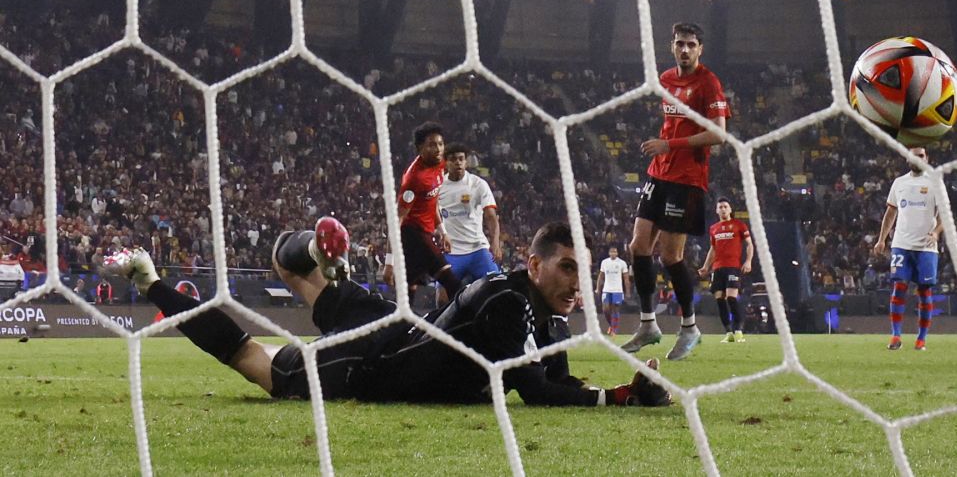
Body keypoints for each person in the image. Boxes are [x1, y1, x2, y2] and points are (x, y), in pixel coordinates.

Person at [101, 218, 670, 408]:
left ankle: (324, 258)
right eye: (568, 268)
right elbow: (540, 393)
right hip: (366, 363)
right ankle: (150, 279)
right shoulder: (507, 306)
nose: (578, 283)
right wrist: (620, 396)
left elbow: (557, 379)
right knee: (250, 356)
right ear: (535, 264)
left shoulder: (539, 305)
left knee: (290, 270)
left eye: (581, 269)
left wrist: (608, 391)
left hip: (398, 328)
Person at [622, 22, 730, 360]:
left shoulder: (708, 83)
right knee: (638, 246)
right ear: (672, 46)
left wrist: (670, 144)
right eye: (680, 44)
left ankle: (689, 328)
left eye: (691, 45)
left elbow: (718, 133)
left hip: (687, 180)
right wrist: (665, 145)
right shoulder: (666, 78)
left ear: (700, 49)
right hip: (659, 175)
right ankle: (648, 323)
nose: (685, 50)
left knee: (670, 256)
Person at [873, 147, 943, 351]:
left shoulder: (935, 182)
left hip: (926, 248)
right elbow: (890, 213)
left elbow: (944, 215)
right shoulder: (899, 183)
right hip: (901, 244)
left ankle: (921, 339)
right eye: (914, 155)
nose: (917, 158)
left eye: (921, 155)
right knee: (899, 287)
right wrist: (881, 239)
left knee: (924, 291)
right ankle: (895, 336)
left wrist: (936, 232)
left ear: (927, 158)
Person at [382, 122, 462, 300]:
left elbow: (431, 201)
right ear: (420, 148)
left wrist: (443, 232)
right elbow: (397, 220)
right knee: (452, 283)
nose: (438, 149)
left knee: (408, 293)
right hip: (413, 235)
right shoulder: (414, 179)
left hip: (425, 232)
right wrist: (389, 262)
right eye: (432, 145)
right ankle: (456, 325)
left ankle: (404, 326)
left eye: (440, 144)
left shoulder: (440, 164)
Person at [438, 142, 501, 287]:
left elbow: (491, 216)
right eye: (453, 159)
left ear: (466, 162)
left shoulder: (478, 184)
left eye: (461, 159)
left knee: (497, 288)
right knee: (442, 298)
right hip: (451, 252)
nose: (458, 162)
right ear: (446, 162)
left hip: (477, 249)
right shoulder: (438, 186)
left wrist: (495, 242)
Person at [698, 197, 753, 343]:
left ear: (730, 209)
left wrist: (748, 261)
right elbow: (713, 249)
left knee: (731, 298)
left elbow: (749, 244)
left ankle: (739, 331)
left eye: (725, 207)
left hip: (733, 267)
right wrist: (705, 266)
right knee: (719, 300)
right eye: (720, 207)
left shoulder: (739, 225)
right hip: (717, 268)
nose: (723, 209)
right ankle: (728, 333)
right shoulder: (713, 228)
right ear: (716, 210)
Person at [595, 247, 630, 335]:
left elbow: (626, 278)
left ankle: (614, 330)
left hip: (617, 290)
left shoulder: (622, 263)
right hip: (606, 289)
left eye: (615, 251)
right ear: (609, 253)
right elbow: (601, 276)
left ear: (617, 253)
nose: (613, 253)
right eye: (611, 252)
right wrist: (598, 288)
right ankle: (611, 325)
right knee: (605, 309)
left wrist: (628, 291)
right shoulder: (605, 262)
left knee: (615, 309)